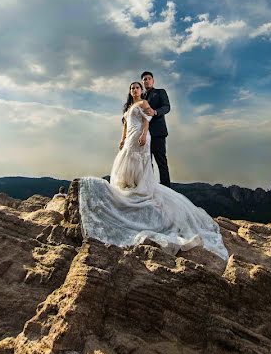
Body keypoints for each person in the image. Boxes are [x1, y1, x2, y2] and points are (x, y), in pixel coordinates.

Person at [77, 82, 228, 261]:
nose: (134, 90)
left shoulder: (143, 104)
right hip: (129, 136)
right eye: (132, 87)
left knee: (138, 161)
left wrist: (142, 135)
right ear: (129, 91)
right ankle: (128, 187)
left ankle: (138, 188)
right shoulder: (128, 106)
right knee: (125, 160)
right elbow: (125, 125)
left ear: (141, 91)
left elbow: (146, 120)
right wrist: (122, 139)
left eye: (137, 87)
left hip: (140, 136)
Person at [141, 71, 171, 188]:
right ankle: (150, 187)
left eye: (149, 78)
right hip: (143, 134)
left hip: (158, 133)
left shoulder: (160, 92)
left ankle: (167, 190)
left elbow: (167, 107)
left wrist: (155, 112)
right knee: (146, 163)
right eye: (144, 79)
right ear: (142, 82)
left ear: (153, 81)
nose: (147, 80)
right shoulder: (140, 97)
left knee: (161, 162)